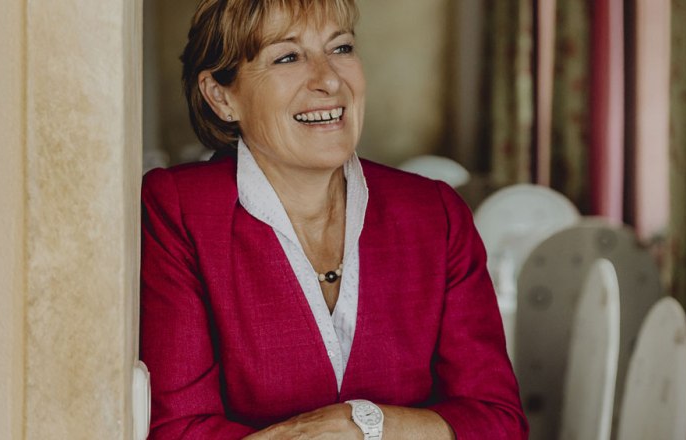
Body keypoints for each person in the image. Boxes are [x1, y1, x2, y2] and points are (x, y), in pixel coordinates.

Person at [140, 0, 528, 438]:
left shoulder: (435, 214)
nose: (329, 80)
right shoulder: (179, 211)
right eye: (287, 57)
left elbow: (497, 422)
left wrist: (363, 425)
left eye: (341, 48)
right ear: (222, 96)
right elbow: (179, 430)